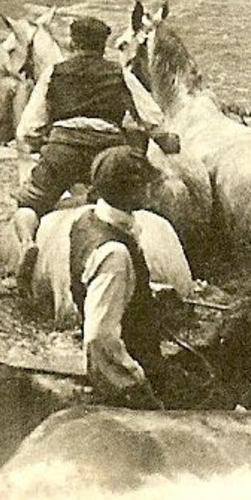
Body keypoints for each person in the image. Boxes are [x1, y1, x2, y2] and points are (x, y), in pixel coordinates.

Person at [10, 16, 180, 285]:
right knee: (137, 204)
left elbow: (27, 130)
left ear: (73, 43)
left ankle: (28, 243)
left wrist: (40, 144)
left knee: (28, 201)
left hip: (63, 150)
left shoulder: (54, 73)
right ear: (103, 47)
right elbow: (151, 117)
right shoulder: (118, 73)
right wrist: (168, 140)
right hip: (107, 154)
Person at [69, 146, 175, 407]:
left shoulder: (88, 218)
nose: (152, 189)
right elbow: (99, 337)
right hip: (134, 368)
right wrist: (138, 388)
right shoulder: (114, 255)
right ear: (132, 192)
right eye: (146, 185)